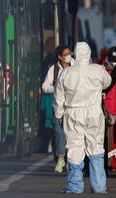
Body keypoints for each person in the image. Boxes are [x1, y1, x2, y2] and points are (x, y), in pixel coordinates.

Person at [54, 42, 111, 193]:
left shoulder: (66, 73)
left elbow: (59, 98)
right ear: (89, 53)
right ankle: (99, 186)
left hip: (73, 112)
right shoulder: (98, 70)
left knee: (74, 147)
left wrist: (59, 115)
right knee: (96, 146)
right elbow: (107, 82)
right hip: (93, 112)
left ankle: (75, 186)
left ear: (75, 54)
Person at [42, 45, 73, 173]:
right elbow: (44, 87)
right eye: (66, 54)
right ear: (60, 57)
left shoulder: (76, 66)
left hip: (73, 107)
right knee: (59, 134)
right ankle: (61, 158)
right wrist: (56, 88)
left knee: (72, 135)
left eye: (69, 53)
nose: (69, 56)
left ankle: (72, 160)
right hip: (59, 107)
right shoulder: (54, 69)